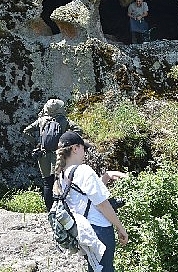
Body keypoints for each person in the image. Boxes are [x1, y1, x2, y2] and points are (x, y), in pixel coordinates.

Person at [54, 131, 128, 272]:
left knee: (95, 268)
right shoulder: (84, 170)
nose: (84, 153)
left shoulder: (63, 173)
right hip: (100, 230)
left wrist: (105, 178)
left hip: (83, 231)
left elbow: (83, 197)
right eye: (83, 148)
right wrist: (120, 227)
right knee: (105, 269)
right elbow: (102, 204)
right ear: (75, 148)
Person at [23, 98, 81, 210]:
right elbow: (78, 130)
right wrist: (66, 142)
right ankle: (61, 208)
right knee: (59, 181)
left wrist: (37, 143)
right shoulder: (64, 121)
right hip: (58, 154)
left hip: (43, 154)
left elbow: (26, 131)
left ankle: (49, 210)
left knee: (47, 183)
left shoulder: (41, 120)